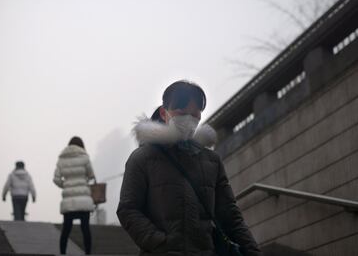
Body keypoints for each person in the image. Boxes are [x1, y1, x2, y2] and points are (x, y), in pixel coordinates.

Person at [117, 80, 262, 256]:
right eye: (181, 112)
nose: (189, 119)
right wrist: (161, 243)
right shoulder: (143, 158)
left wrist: (253, 252)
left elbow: (230, 216)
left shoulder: (211, 161)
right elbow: (128, 209)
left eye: (195, 115)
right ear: (164, 113)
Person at [53, 136, 96, 255]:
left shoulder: (61, 159)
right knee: (85, 228)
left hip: (69, 200)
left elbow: (56, 179)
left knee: (66, 229)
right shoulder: (85, 157)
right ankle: (87, 253)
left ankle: (62, 253)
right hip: (83, 199)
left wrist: (66, 185)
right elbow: (91, 175)